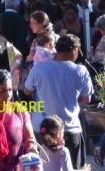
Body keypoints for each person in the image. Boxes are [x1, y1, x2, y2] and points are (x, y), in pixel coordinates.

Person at [24, 34, 93, 169]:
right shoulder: (81, 70)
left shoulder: (38, 69)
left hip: (41, 129)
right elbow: (86, 99)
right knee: (75, 168)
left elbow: (27, 90)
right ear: (74, 50)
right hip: (70, 128)